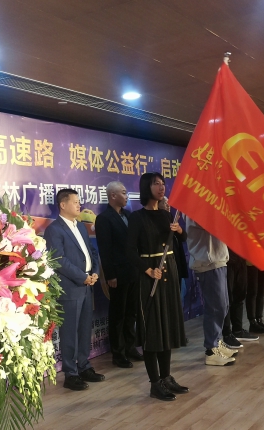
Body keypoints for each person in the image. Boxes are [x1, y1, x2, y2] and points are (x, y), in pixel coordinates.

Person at [126, 172, 188, 401]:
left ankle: (166, 377)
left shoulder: (167, 214)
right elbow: (129, 252)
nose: (162, 187)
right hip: (150, 276)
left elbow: (182, 240)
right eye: (156, 184)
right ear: (146, 188)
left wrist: (180, 231)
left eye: (163, 184)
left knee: (166, 327)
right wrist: (148, 270)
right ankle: (155, 383)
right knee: (152, 329)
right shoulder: (137, 217)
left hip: (169, 273)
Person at [44, 188, 105, 391]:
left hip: (87, 285)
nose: (79, 205)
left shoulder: (79, 226)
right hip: (70, 287)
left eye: (79, 202)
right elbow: (59, 260)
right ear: (63, 205)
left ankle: (84, 366)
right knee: (69, 332)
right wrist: (82, 276)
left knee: (85, 328)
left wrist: (94, 272)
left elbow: (92, 252)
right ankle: (70, 373)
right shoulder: (54, 230)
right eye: (75, 202)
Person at [95, 181, 143, 369]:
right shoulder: (104, 219)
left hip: (133, 271)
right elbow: (105, 250)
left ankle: (131, 347)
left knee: (131, 312)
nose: (126, 196)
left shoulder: (129, 215)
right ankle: (118, 353)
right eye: (123, 193)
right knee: (118, 314)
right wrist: (110, 275)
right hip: (118, 273)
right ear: (113, 195)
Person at [184, 215, 237, 366]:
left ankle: (217, 341)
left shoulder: (209, 208)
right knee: (215, 307)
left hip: (218, 260)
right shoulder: (197, 211)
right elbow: (215, 226)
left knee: (223, 305)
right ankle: (211, 349)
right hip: (207, 263)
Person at [222, 249, 258, 347]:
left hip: (241, 259)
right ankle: (227, 334)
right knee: (227, 298)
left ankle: (238, 330)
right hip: (227, 261)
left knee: (240, 295)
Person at [246, 265, 264, 333]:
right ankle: (253, 322)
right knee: (252, 292)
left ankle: (259, 320)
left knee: (261, 292)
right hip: (251, 264)